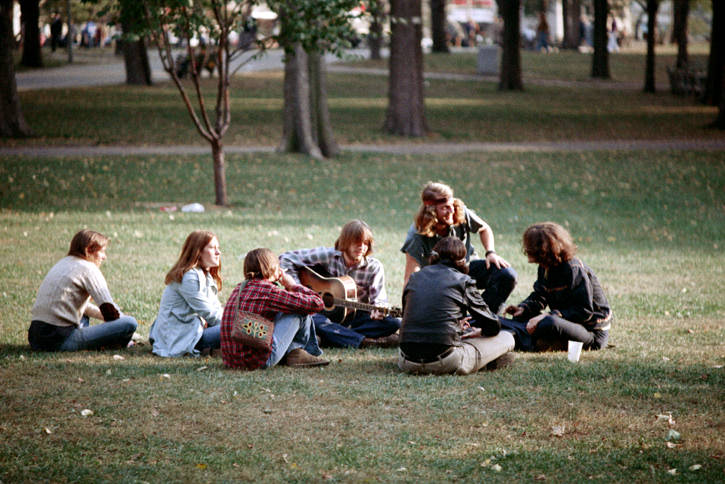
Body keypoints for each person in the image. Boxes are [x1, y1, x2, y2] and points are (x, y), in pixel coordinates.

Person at [399, 237, 515, 375]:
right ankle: (486, 361)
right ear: (462, 261)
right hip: (445, 360)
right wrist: (481, 332)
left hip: (406, 361)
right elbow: (492, 325)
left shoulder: (414, 278)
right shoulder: (463, 281)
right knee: (507, 337)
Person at [279, 220, 401, 349]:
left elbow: (380, 299)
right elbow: (285, 258)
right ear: (346, 241)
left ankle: (330, 337)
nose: (361, 247)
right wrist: (298, 288)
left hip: (356, 317)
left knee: (393, 323)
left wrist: (379, 310)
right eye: (357, 242)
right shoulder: (327, 256)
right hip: (323, 315)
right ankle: (363, 341)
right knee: (312, 319)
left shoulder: (374, 267)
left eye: (365, 243)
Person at [401, 182, 516, 314]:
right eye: (445, 208)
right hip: (438, 282)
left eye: (452, 206)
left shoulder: (459, 211)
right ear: (431, 211)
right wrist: (407, 313)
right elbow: (411, 278)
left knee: (506, 275)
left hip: (465, 270)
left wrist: (491, 252)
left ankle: (482, 320)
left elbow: (484, 229)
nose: (451, 211)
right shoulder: (417, 235)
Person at [503, 222, 612, 352]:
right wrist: (524, 308)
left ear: (545, 250)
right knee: (525, 318)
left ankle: (509, 331)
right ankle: (516, 332)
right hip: (567, 323)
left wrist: (547, 316)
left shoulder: (573, 269)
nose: (528, 255)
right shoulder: (545, 267)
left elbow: (583, 311)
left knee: (549, 323)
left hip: (591, 331)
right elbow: (540, 296)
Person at [28, 230, 138, 351]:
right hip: (59, 341)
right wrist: (120, 328)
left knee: (90, 315)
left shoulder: (63, 263)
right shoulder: (89, 268)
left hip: (36, 339)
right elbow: (110, 312)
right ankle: (116, 344)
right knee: (130, 323)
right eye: (102, 251)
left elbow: (81, 307)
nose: (104, 257)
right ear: (89, 250)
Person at [221, 248, 328, 369]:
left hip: (231, 361)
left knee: (286, 309)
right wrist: (293, 286)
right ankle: (297, 351)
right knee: (299, 311)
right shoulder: (268, 291)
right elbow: (317, 303)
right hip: (259, 361)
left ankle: (296, 351)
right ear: (273, 268)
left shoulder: (239, 288)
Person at [149, 230, 223, 357]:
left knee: (240, 327)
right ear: (198, 252)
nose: (218, 252)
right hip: (179, 338)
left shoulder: (205, 274)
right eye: (212, 248)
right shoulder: (189, 276)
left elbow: (215, 308)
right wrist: (235, 323)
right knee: (239, 330)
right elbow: (209, 313)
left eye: (218, 248)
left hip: (192, 331)